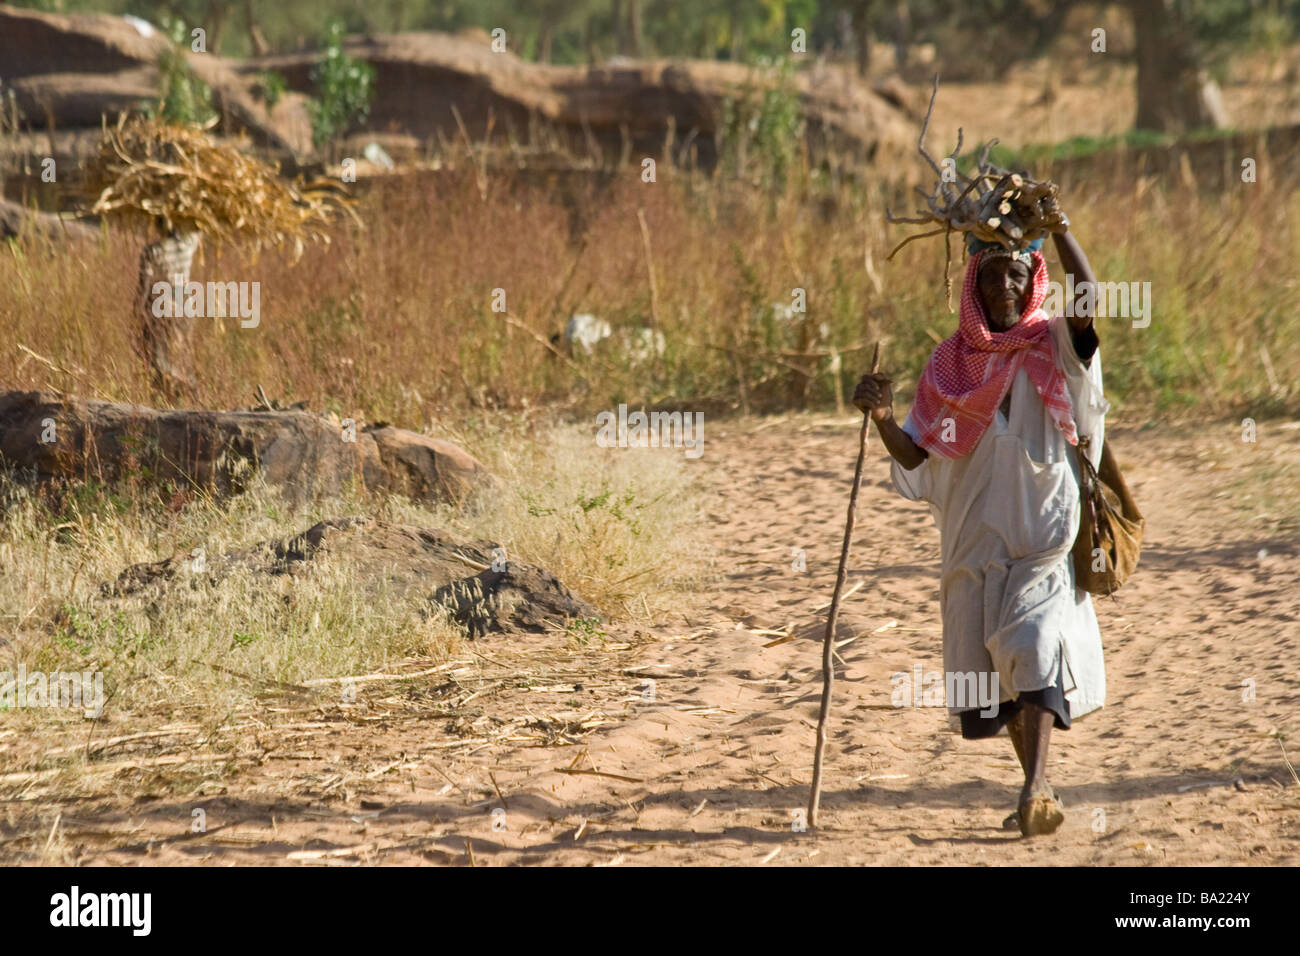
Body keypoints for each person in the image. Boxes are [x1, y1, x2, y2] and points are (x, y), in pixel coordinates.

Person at [853, 209, 1108, 836]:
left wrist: (1062, 225)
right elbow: (918, 451)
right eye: (992, 276)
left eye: (1017, 275)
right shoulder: (949, 365)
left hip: (1042, 530)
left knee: (1034, 646)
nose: (1005, 290)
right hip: (972, 542)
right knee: (995, 675)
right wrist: (886, 417)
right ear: (973, 285)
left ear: (1034, 279)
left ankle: (1037, 783)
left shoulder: (1055, 345)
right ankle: (1036, 787)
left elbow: (1091, 296)